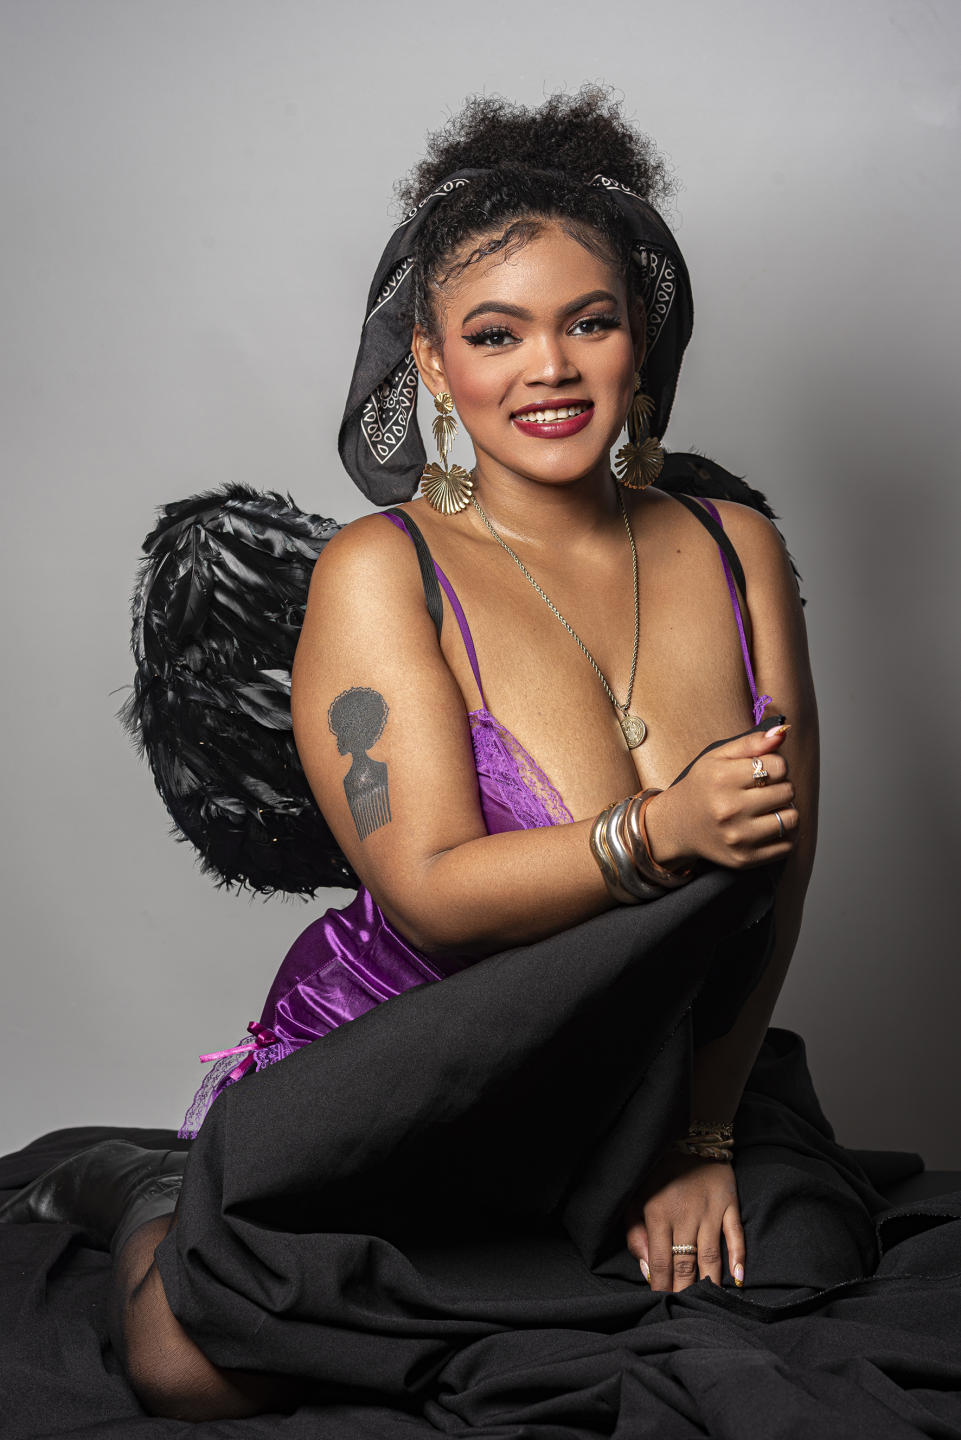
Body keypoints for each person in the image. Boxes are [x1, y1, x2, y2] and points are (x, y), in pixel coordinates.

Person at [2, 88, 830, 1423]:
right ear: (432, 365)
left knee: (782, 1285)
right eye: (495, 334)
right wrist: (655, 833)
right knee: (191, 1364)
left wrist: (702, 1137)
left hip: (646, 1066)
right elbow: (432, 889)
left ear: (639, 336)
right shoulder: (381, 571)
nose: (548, 368)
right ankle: (151, 1183)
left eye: (588, 322)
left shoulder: (737, 551)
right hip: (414, 1064)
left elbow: (778, 880)